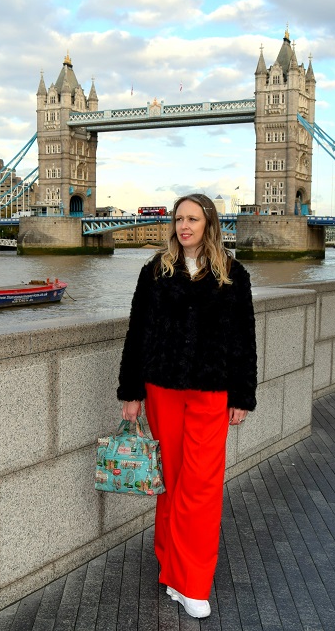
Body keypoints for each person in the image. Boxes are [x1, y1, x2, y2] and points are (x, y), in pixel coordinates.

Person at [117, 193, 257, 619]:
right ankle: (170, 567)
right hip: (162, 387)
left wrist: (242, 395)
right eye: (179, 219)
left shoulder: (234, 274)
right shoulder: (155, 270)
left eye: (193, 219)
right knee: (171, 480)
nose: (184, 226)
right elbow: (137, 330)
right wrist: (131, 391)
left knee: (202, 487)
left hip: (211, 390)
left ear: (209, 223)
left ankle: (192, 582)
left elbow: (243, 338)